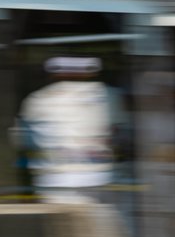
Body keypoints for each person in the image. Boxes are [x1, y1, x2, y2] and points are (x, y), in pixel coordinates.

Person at [13, 56, 121, 204]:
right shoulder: (108, 95)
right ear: (90, 72)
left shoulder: (37, 99)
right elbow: (119, 133)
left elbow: (22, 140)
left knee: (62, 225)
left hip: (56, 179)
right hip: (99, 175)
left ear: (53, 74)